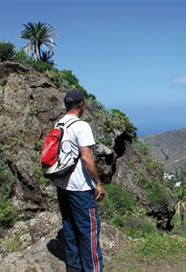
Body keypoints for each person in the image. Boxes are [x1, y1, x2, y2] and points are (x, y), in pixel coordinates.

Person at [53, 90, 106, 272]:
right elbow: (87, 158)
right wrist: (98, 183)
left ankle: (74, 269)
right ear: (81, 104)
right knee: (89, 233)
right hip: (80, 188)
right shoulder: (81, 126)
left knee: (69, 229)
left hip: (62, 185)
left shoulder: (59, 123)